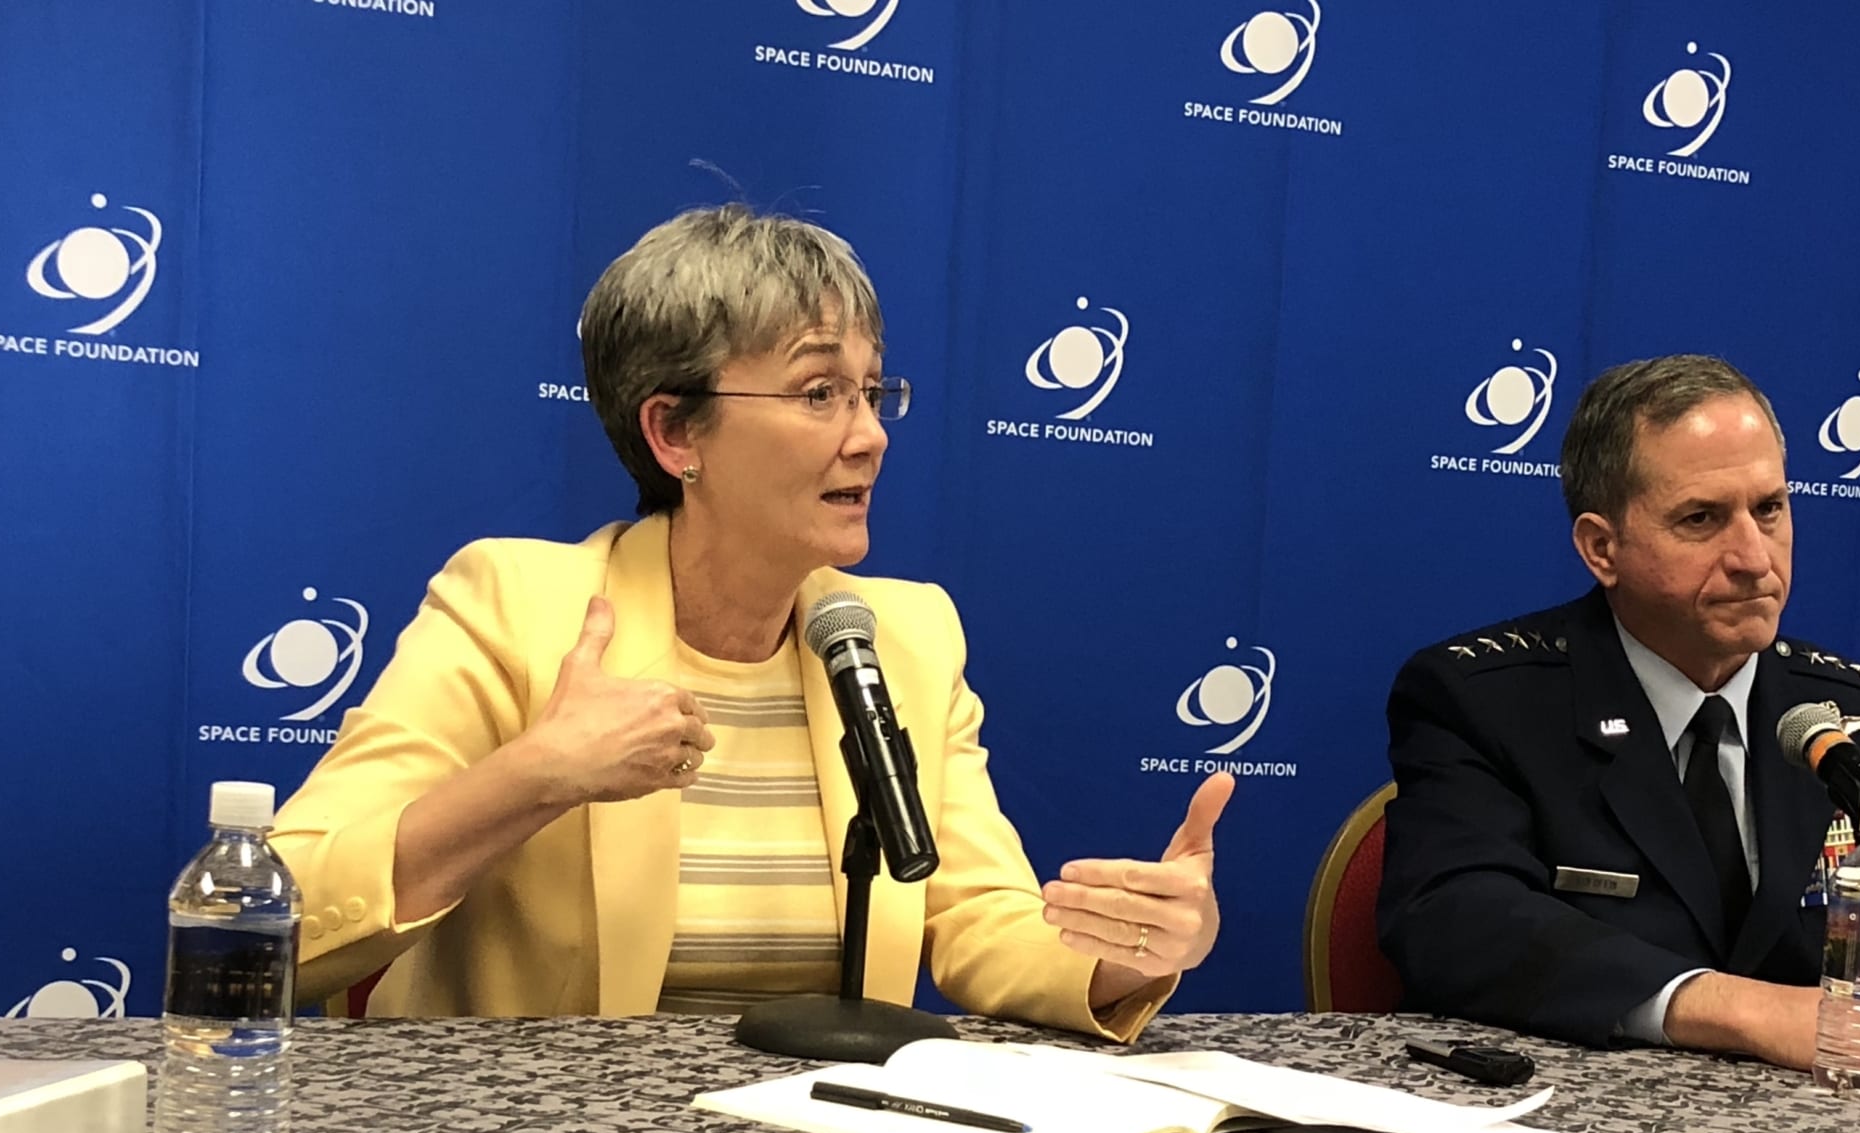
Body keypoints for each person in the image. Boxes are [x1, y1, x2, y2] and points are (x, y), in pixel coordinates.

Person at [271, 205, 1227, 1041]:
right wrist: (535, 776)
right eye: (819, 393)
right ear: (675, 433)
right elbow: (271, 916)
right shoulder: (516, 606)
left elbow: (980, 919)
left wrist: (1132, 954)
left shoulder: (908, 635)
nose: (870, 433)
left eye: (872, 390)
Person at [1377, 354, 1860, 1094]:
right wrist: (1745, 1010)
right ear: (1601, 548)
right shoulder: (1484, 697)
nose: (1752, 557)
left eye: (1769, 509)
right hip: (1557, 1118)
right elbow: (1456, 920)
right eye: (1702, 518)